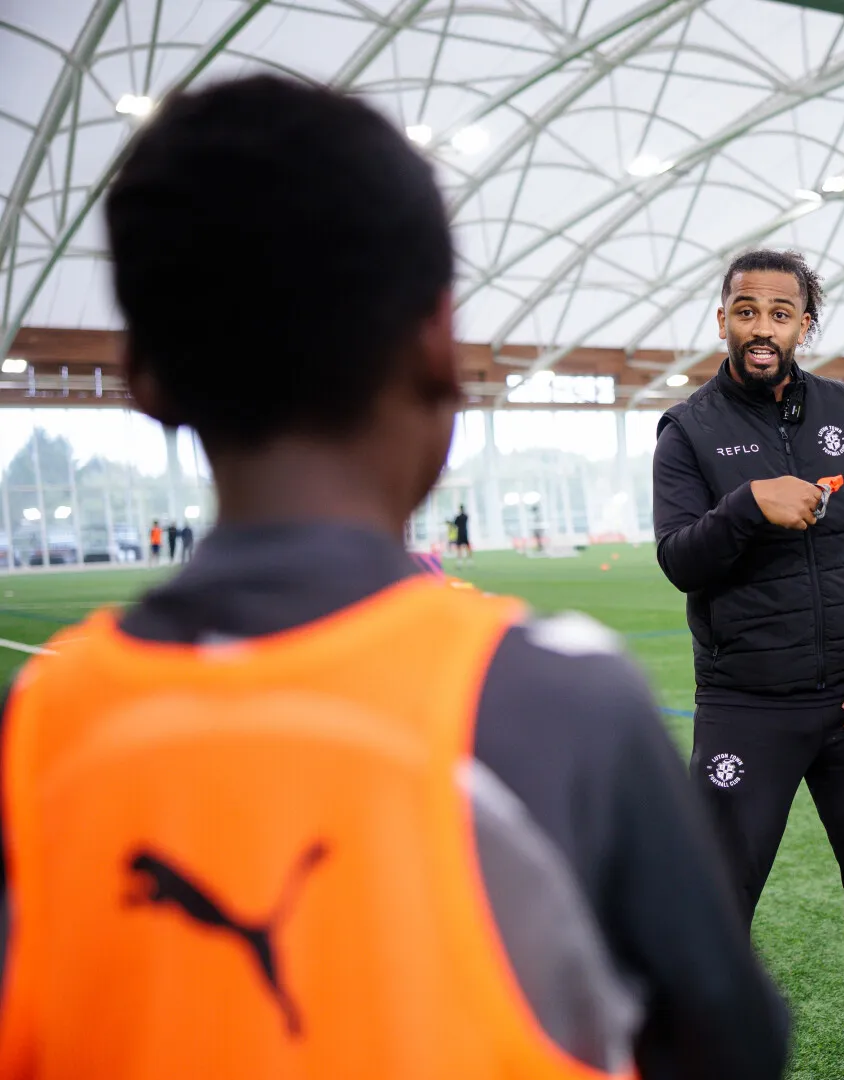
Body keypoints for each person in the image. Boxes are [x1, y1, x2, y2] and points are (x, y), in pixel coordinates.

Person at [0, 76, 787, 1080]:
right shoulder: (556, 702)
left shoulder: (39, 723)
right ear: (438, 347)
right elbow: (730, 1044)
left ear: (143, 379)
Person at [653, 249, 844, 1080]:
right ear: (722, 320)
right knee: (719, 897)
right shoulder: (688, 430)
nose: (762, 328)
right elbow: (679, 558)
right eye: (746, 310)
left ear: (803, 325)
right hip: (748, 702)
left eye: (780, 313)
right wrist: (747, 505)